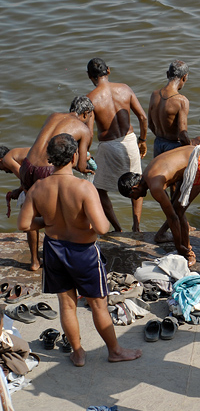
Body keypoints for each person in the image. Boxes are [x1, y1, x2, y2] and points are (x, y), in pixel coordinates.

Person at [18, 133, 141, 367]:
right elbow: (103, 227)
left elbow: (23, 224)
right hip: (83, 252)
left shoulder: (38, 188)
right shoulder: (83, 187)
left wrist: (47, 222)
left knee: (66, 304)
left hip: (53, 249)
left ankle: (77, 352)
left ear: (50, 159)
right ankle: (114, 351)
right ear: (75, 156)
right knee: (98, 304)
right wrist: (85, 223)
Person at [20, 96, 95, 270]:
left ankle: (34, 261)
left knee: (30, 212)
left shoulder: (53, 115)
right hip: (46, 171)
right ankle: (54, 258)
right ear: (85, 113)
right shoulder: (82, 128)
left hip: (27, 165)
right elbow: (81, 165)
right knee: (54, 214)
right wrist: (85, 169)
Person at [118, 144, 200, 266]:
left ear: (135, 188)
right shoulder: (147, 173)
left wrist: (178, 245)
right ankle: (161, 234)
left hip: (199, 163)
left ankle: (188, 252)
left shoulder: (155, 186)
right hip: (194, 152)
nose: (136, 198)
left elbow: (173, 217)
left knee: (179, 211)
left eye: (133, 196)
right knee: (176, 207)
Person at [86, 58, 148, 233]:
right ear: (109, 70)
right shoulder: (125, 89)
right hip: (130, 141)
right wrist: (142, 140)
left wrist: (86, 154)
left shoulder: (90, 99)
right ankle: (136, 227)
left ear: (89, 76)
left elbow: (89, 133)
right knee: (136, 183)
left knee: (99, 188)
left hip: (108, 146)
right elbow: (143, 118)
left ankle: (118, 228)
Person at [148, 60, 190, 157]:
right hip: (173, 146)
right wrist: (191, 148)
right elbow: (182, 134)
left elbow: (150, 124)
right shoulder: (181, 101)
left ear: (167, 74)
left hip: (158, 143)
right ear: (184, 77)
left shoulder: (154, 95)